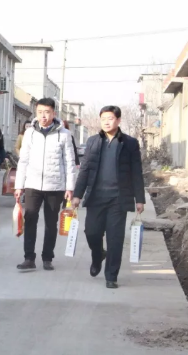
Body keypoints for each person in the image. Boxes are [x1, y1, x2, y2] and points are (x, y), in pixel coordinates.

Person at [72, 106, 145, 289]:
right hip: (96, 197)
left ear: (118, 120)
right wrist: (77, 195)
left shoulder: (129, 143)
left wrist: (140, 198)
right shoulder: (93, 142)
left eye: (110, 118)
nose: (106, 122)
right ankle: (98, 255)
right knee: (92, 232)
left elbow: (136, 172)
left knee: (115, 239)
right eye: (103, 118)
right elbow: (85, 170)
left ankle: (111, 276)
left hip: (118, 199)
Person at [14, 98, 76, 272]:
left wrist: (70, 187)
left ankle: (47, 257)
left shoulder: (64, 134)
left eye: (47, 112)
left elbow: (69, 162)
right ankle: (29, 258)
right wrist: (19, 185)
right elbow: (23, 161)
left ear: (54, 113)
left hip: (55, 186)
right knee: (30, 219)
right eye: (40, 112)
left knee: (51, 222)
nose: (43, 116)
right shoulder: (30, 133)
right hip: (32, 184)